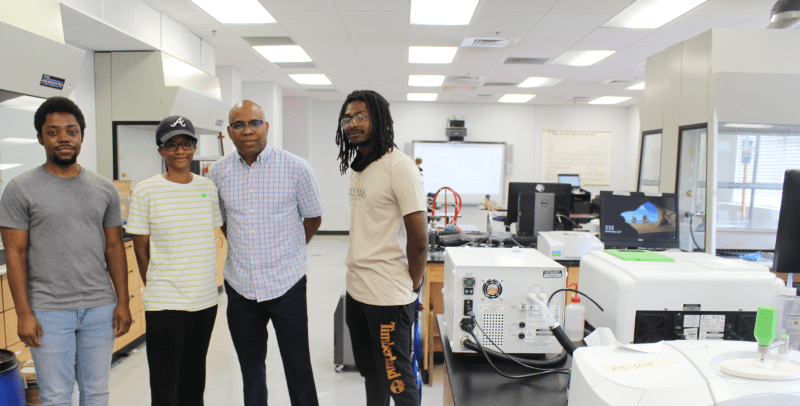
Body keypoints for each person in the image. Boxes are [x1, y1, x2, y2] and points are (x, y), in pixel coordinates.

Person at [0, 96, 131, 405]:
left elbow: (114, 247)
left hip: (99, 307)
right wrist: (24, 313)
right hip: (48, 310)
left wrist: (122, 301)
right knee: (56, 395)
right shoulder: (20, 188)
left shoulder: (104, 188)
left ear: (81, 136)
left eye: (71, 131)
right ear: (40, 137)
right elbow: (15, 254)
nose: (64, 138)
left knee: (97, 391)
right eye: (53, 131)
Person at [209, 100, 323, 406]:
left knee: (298, 366)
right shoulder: (217, 172)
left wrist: (289, 251)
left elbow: (313, 220)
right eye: (239, 125)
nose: (247, 130)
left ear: (266, 127)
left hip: (287, 283)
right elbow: (222, 221)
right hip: (240, 286)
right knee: (251, 369)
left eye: (254, 123)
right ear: (230, 132)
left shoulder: (296, 167)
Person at [335, 90, 428, 406]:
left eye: (362, 116)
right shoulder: (359, 165)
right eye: (348, 118)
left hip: (388, 295)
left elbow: (419, 240)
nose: (353, 123)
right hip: (358, 289)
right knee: (372, 372)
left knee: (398, 379)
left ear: (380, 120)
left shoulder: (399, 167)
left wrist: (412, 285)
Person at [125, 115, 223, 405]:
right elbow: (140, 250)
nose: (180, 150)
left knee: (195, 379)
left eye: (187, 143)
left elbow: (212, 235)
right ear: (161, 150)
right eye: (172, 145)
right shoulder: (146, 190)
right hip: (165, 302)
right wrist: (158, 285)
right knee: (166, 383)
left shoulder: (208, 188)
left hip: (205, 301)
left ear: (194, 147)